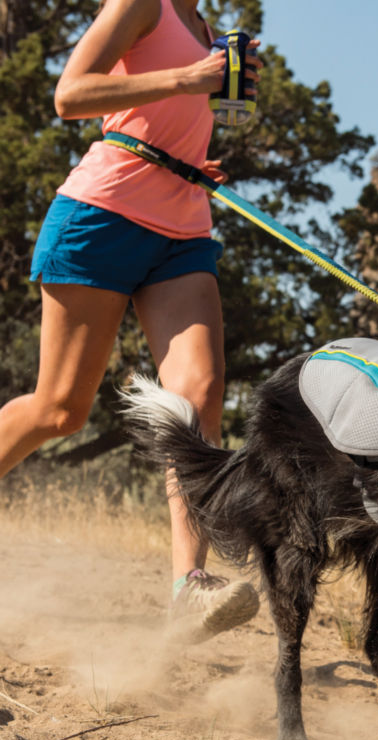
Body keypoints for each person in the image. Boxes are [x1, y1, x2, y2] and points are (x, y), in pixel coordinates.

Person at [0, 0, 263, 643]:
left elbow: (164, 120)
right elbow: (72, 95)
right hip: (103, 216)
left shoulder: (210, 32)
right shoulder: (141, 4)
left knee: (197, 394)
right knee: (60, 409)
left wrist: (191, 153)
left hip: (182, 224)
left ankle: (188, 587)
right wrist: (189, 81)